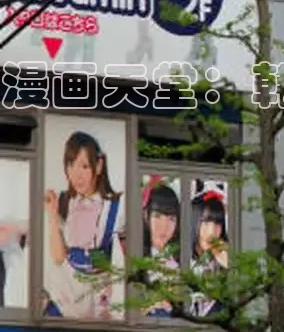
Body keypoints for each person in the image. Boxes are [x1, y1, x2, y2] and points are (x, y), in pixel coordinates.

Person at [42, 131, 126, 319]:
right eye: (71, 165)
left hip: (99, 304)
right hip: (65, 298)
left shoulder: (117, 207)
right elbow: (58, 257)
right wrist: (52, 214)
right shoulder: (63, 202)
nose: (76, 175)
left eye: (84, 166)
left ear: (99, 166)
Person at [141, 179, 180, 318]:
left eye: (171, 219)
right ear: (146, 216)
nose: (164, 227)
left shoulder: (179, 259)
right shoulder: (133, 254)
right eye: (157, 216)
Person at [189, 184, 228, 318]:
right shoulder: (178, 258)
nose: (212, 232)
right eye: (205, 223)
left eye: (217, 224)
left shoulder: (223, 257)